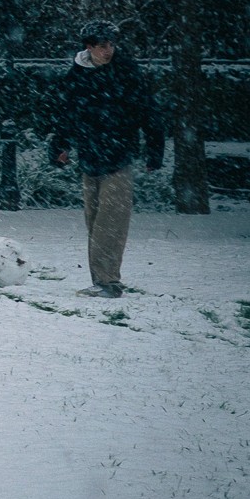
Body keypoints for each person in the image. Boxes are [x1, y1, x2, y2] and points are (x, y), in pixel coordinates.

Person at [49, 20, 164, 298]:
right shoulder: (77, 75)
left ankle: (107, 282)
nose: (108, 50)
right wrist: (60, 145)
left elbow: (148, 110)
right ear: (89, 47)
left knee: (110, 223)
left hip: (118, 156)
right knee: (95, 222)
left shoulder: (126, 72)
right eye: (102, 46)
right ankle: (102, 280)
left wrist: (154, 148)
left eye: (111, 44)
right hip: (90, 156)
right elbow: (66, 113)